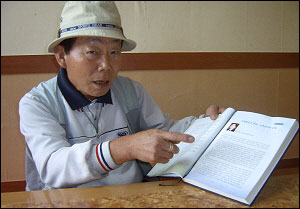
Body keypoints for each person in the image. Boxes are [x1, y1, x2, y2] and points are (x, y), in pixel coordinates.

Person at [19, 1, 225, 191]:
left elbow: (164, 131)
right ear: (62, 56)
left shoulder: (130, 91)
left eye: (115, 52)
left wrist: (208, 123)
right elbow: (53, 167)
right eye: (92, 52)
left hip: (130, 197)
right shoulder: (38, 103)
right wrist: (125, 148)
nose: (106, 66)